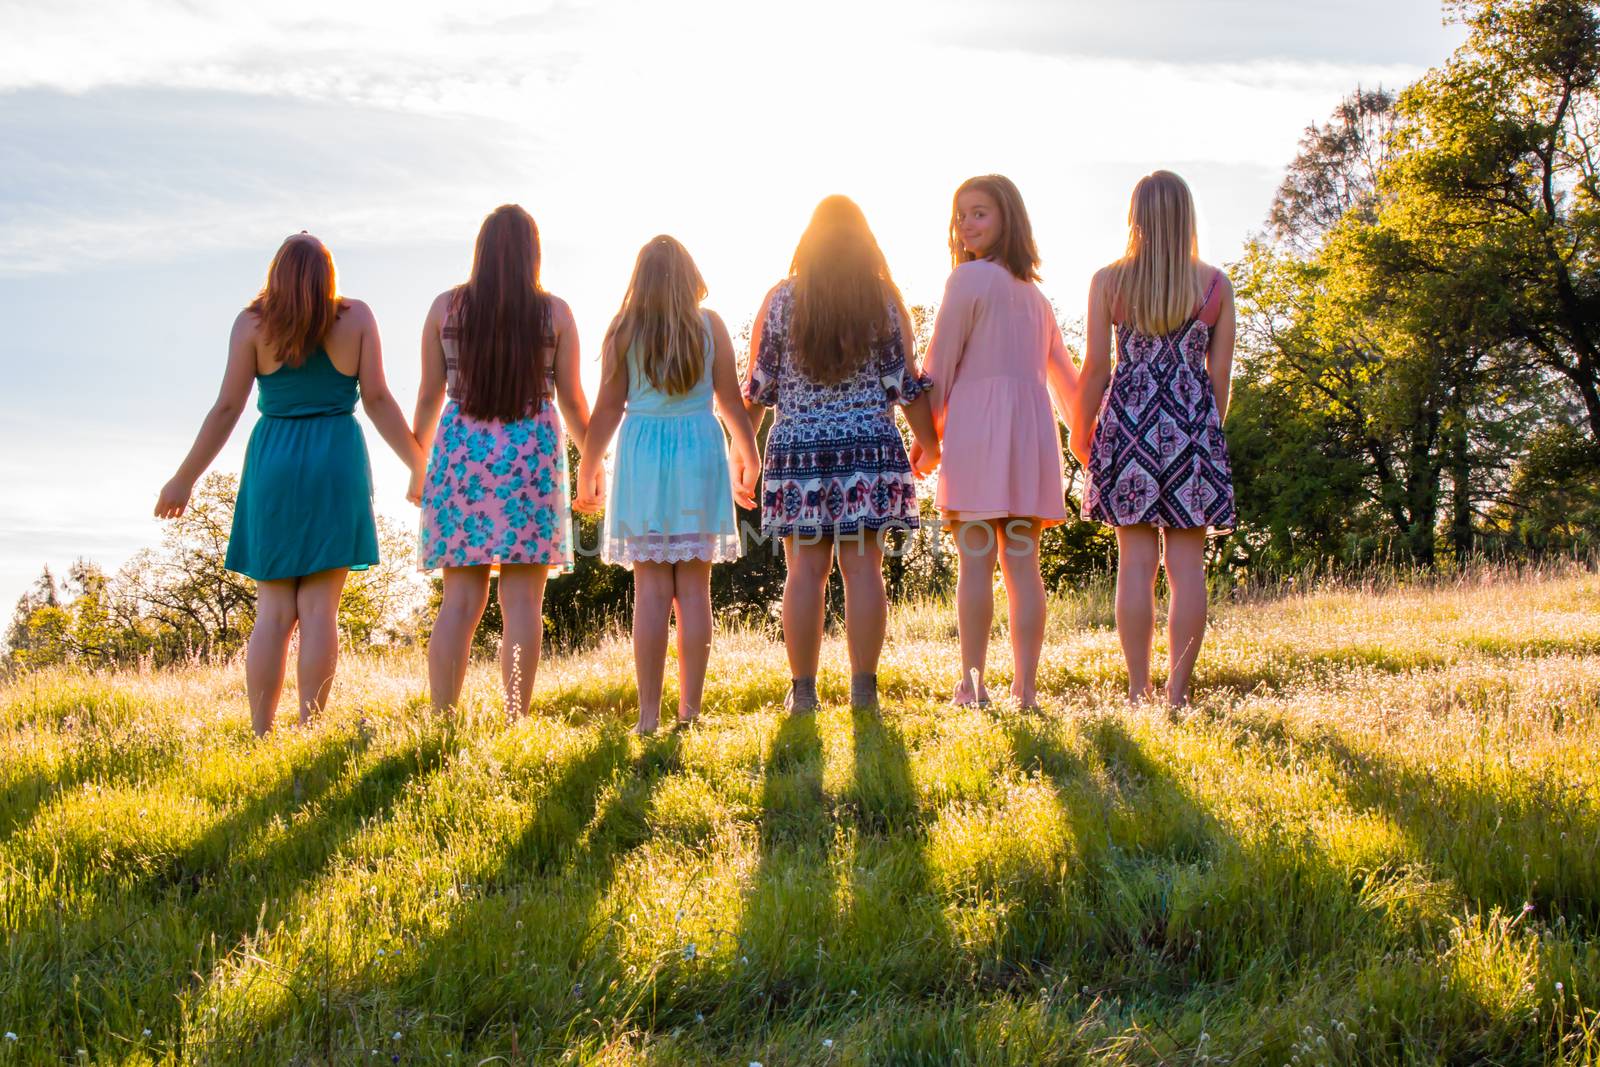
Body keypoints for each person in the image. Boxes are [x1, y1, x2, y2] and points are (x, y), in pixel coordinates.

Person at [155, 233, 423, 735]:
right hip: (336, 462)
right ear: (328, 274)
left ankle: (261, 732)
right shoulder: (357, 318)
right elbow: (380, 400)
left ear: (276, 272)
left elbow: (227, 409)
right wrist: (418, 464)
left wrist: (183, 479)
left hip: (274, 463)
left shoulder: (251, 324)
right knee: (321, 609)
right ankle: (310, 727)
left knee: (274, 612)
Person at [744, 195, 941, 714]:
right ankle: (863, 693)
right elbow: (904, 383)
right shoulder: (882, 301)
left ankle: (803, 693)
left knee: (803, 572)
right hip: (866, 448)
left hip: (798, 452)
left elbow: (759, 388)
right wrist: (932, 443)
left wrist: (742, 453)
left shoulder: (781, 299)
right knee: (864, 571)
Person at [412, 204, 591, 718]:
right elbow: (575, 401)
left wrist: (417, 463)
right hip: (530, 457)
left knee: (459, 604)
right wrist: (595, 462)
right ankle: (515, 717)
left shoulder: (446, 308)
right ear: (533, 253)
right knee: (522, 606)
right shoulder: (554, 313)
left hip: (459, 455)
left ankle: (442, 717)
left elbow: (428, 395)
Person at [577, 236, 760, 734]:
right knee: (695, 591)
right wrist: (749, 453)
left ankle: (647, 717)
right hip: (699, 449)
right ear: (689, 275)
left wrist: (588, 466)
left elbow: (607, 409)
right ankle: (691, 714)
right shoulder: (710, 325)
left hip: (642, 455)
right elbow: (729, 401)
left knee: (652, 591)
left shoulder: (624, 329)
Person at [1072, 170, 1236, 707]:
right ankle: (1178, 693)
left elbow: (1096, 369)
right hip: (1192, 428)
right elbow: (1219, 380)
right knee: (1187, 569)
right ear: (1188, 216)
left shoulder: (1109, 282)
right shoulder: (1214, 286)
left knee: (1135, 565)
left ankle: (1137, 689)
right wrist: (1206, 439)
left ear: (1134, 217)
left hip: (1128, 427)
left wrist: (1081, 433)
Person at [918, 175, 1079, 711]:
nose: (966, 223)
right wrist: (1087, 440)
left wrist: (926, 436)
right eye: (960, 214)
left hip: (978, 431)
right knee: (1023, 564)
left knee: (975, 563)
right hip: (1031, 436)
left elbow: (938, 365)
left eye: (979, 213)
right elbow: (1067, 383)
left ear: (1007, 218)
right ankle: (1025, 690)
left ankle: (973, 685)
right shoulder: (1037, 297)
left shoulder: (966, 281)